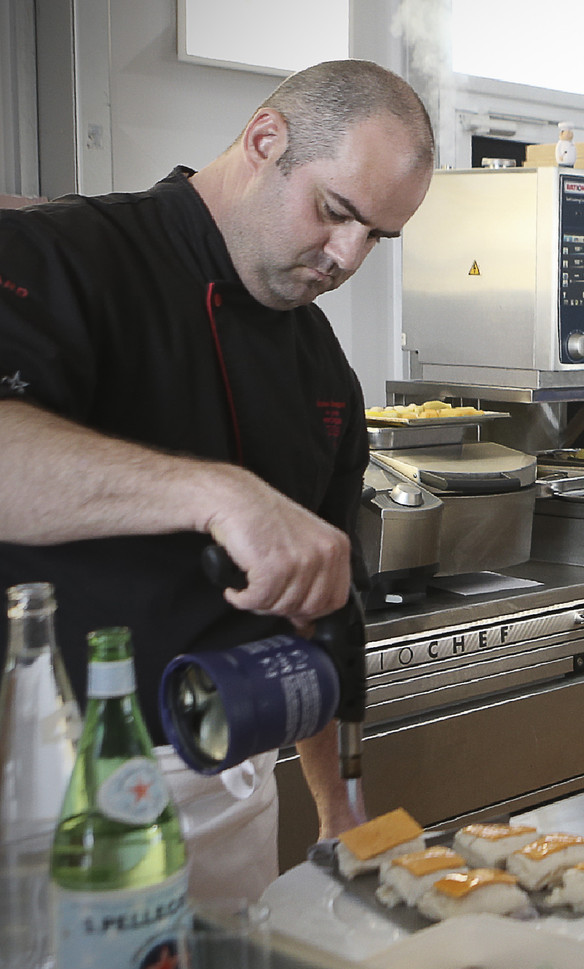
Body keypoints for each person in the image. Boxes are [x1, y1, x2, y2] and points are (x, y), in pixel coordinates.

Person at [0, 59, 435, 900]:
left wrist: (340, 809)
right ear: (265, 141)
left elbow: (321, 611)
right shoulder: (63, 255)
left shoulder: (321, 369)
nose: (348, 256)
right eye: (336, 212)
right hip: (51, 798)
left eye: (377, 236)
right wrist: (217, 494)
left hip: (233, 793)